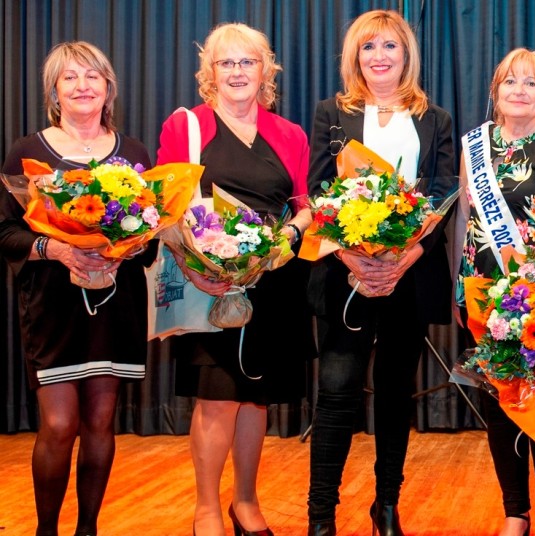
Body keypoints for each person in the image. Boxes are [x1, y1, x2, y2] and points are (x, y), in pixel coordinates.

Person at [156, 23, 314, 536]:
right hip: (209, 282)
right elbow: (166, 206)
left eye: (248, 62)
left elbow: (304, 205)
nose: (238, 72)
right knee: (217, 395)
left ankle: (245, 502)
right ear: (210, 72)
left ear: (266, 70)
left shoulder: (290, 134)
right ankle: (206, 509)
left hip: (273, 282)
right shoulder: (186, 126)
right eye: (227, 63)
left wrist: (289, 234)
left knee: (255, 398)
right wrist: (195, 268)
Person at [305, 10, 455, 536]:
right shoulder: (331, 113)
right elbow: (319, 193)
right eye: (368, 47)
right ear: (355, 56)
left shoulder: (434, 117)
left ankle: (386, 506)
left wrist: (404, 258)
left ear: (406, 55)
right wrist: (353, 258)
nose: (379, 56)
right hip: (345, 274)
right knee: (337, 393)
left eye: (390, 46)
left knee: (394, 393)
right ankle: (321, 517)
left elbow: (443, 195)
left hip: (409, 276)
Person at [0, 41, 152, 536]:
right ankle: (46, 531)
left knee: (100, 424)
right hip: (52, 307)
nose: (82, 86)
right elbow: (6, 232)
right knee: (60, 425)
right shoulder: (27, 152)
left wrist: (125, 249)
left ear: (109, 88)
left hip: (116, 303)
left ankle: (87, 529)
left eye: (92, 76)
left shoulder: (134, 153)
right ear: (54, 91)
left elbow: (150, 236)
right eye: (70, 77)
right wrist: (58, 248)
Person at [453, 48, 535, 536]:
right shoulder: (474, 145)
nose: (519, 90)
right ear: (495, 91)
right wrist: (459, 288)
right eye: (510, 81)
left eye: (532, 83)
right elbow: (465, 221)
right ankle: (516, 513)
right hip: (483, 295)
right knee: (498, 407)